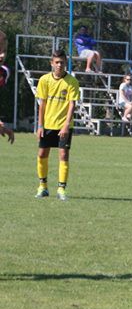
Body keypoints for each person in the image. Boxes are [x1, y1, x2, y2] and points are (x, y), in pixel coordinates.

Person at [35, 50, 80, 200]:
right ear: (52, 63)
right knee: (42, 154)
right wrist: (40, 125)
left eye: (62, 62)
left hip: (63, 125)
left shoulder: (72, 82)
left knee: (63, 154)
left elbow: (72, 104)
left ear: (65, 63)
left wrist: (66, 125)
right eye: (57, 62)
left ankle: (61, 189)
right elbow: (42, 104)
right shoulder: (44, 80)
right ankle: (43, 187)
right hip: (47, 124)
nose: (59, 65)